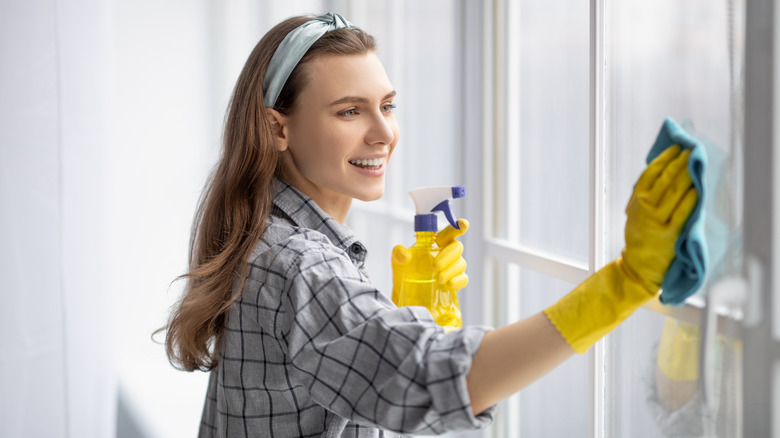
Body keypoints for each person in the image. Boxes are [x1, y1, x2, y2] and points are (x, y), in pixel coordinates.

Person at [162, 12, 698, 437]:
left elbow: (344, 400)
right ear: (278, 129)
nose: (383, 134)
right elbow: (435, 380)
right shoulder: (301, 265)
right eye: (349, 111)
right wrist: (622, 285)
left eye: (387, 106)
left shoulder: (267, 238)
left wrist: (401, 318)